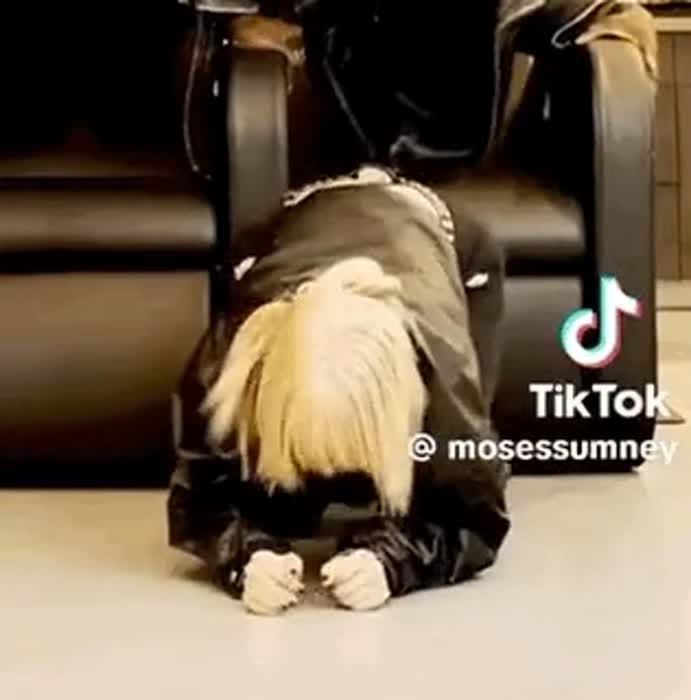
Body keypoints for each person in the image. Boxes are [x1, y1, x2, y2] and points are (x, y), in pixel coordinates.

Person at [167, 166, 510, 614]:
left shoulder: (444, 376)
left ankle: (371, 465)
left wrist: (393, 563)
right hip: (291, 225)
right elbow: (199, 498)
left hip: (445, 237)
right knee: (284, 506)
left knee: (433, 480)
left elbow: (476, 517)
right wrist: (247, 558)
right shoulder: (226, 368)